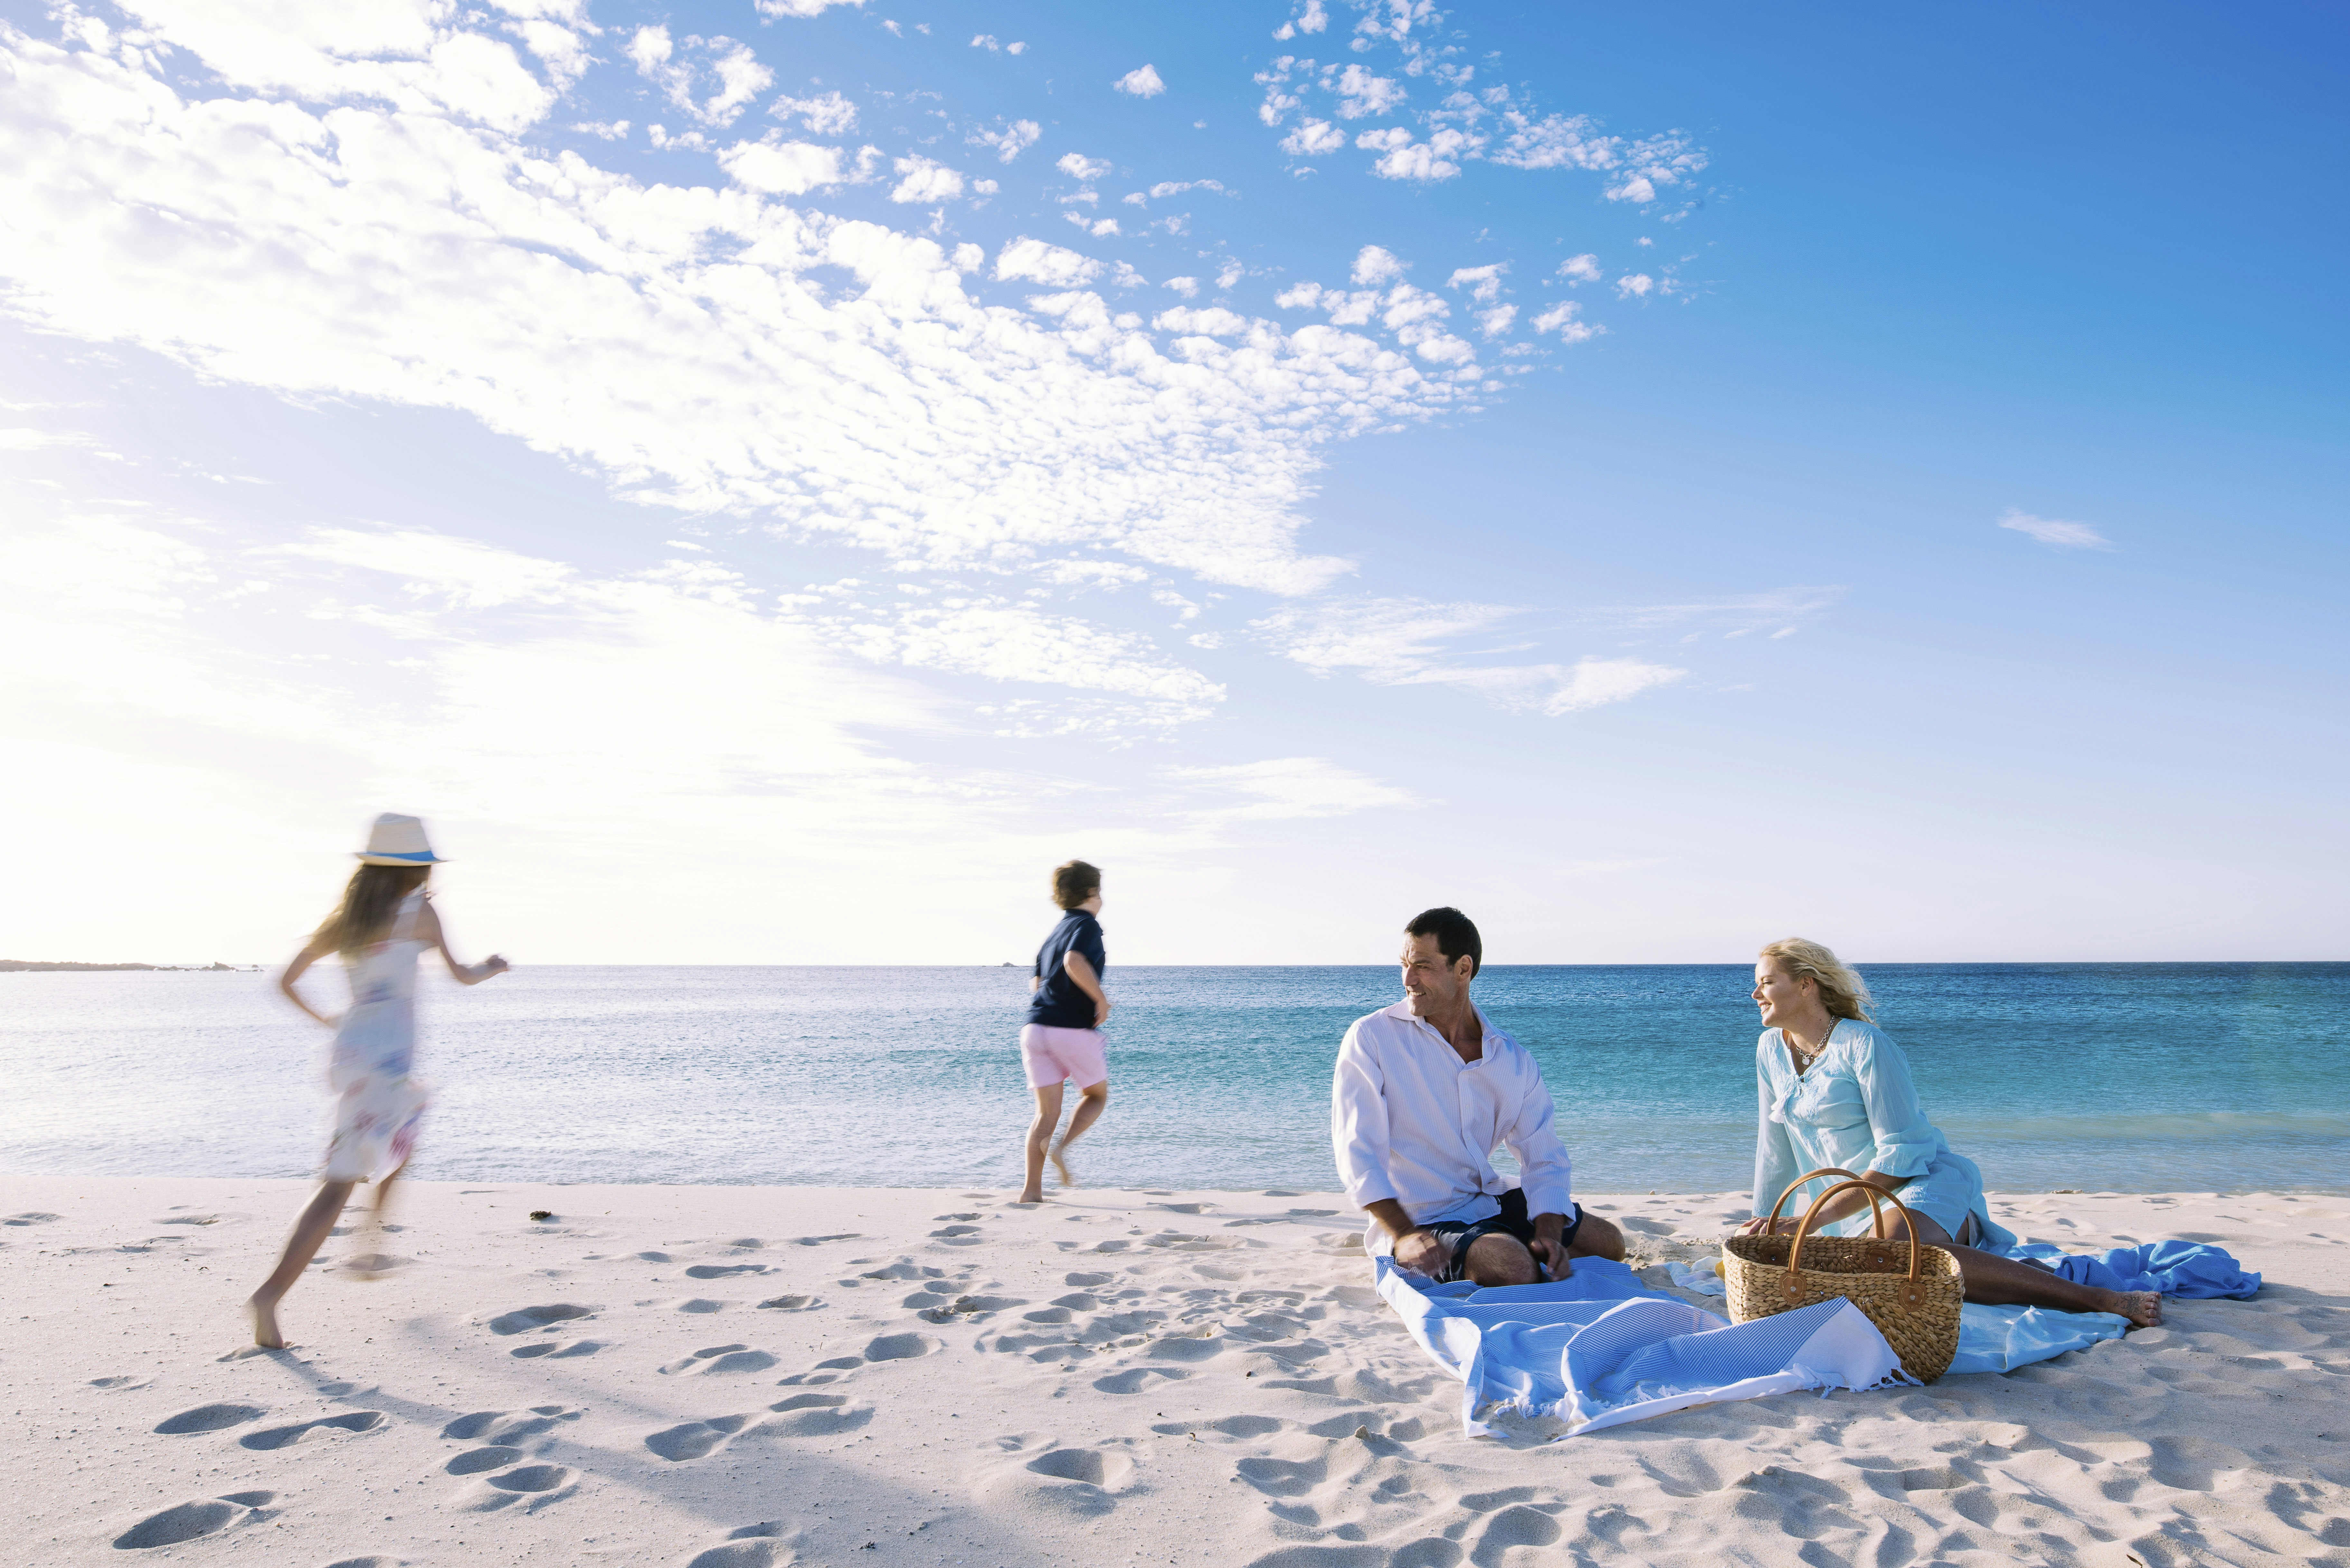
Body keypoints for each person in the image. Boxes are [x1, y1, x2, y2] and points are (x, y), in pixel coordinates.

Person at [1741, 937, 2160, 1326]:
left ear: (1806, 986)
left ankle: (2095, 1298)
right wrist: (1763, 1222)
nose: (1755, 994)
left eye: (1766, 982)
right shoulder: (1769, 1051)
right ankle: (2010, 1273)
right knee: (1873, 1269)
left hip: (1914, 1184)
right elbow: (1773, 1147)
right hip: (1839, 1213)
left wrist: (1812, 1219)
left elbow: (1899, 1155)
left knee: (1892, 1256)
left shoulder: (1864, 1045)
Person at [246, 814, 508, 1347]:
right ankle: (302, 1278)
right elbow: (461, 976)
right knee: (347, 1176)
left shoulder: (345, 919)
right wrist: (493, 966)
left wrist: (330, 1021)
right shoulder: (420, 912)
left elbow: (286, 982)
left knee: (388, 1142)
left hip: (355, 1052)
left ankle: (362, 1246)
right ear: (416, 870)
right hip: (389, 1058)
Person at [1332, 906, 1624, 1286]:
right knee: (1514, 1266)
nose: (1408, 978)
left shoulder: (1510, 1057)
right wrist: (1403, 1234)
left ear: (1464, 969)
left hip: (1489, 1199)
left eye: (1422, 965)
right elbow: (1357, 1152)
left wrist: (1549, 1231)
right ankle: (1497, 1249)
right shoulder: (1372, 1038)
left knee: (1610, 1243)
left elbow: (1543, 1153)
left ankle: (1511, 1243)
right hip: (1423, 1218)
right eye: (1404, 964)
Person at [1017, 859, 1111, 1204]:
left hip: (1034, 1028)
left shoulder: (1053, 933)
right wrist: (1100, 1000)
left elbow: (1037, 982)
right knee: (1095, 1096)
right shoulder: (1087, 925)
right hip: (1070, 1028)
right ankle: (1062, 1148)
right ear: (1092, 892)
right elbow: (1074, 962)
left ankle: (1031, 1192)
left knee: (1045, 1114)